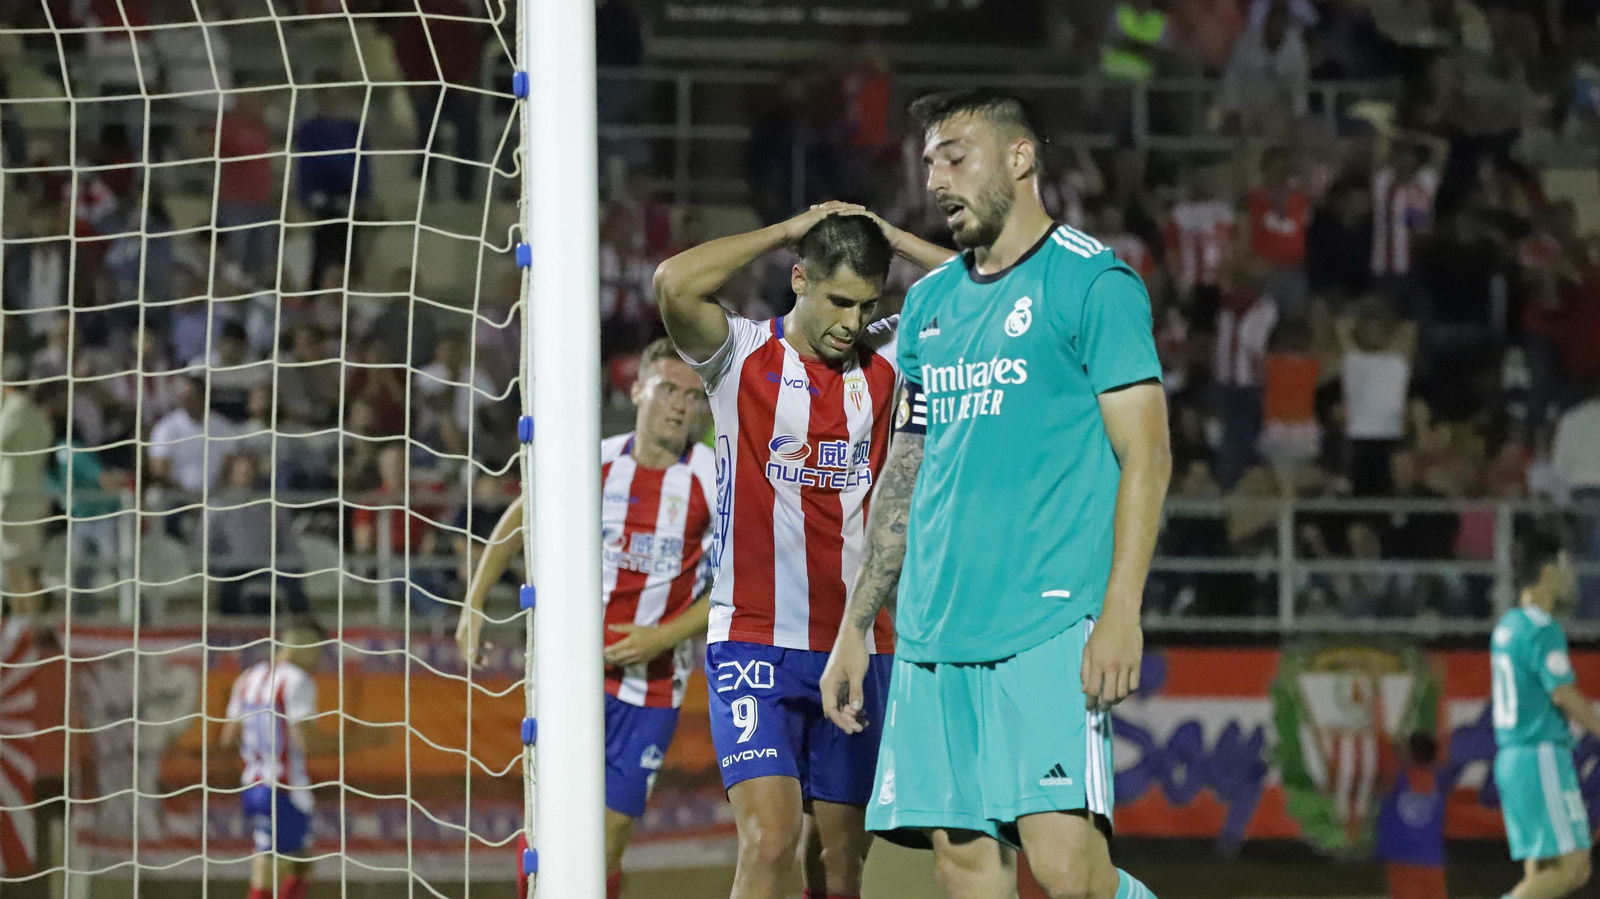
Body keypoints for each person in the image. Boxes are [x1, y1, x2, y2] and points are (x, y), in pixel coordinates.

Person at [820, 88, 1170, 899]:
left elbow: (1147, 454)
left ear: (1020, 158)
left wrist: (1121, 610)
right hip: (934, 628)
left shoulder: (1092, 282)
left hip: (1045, 623)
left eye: (955, 157)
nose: (935, 179)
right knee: (961, 862)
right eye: (928, 163)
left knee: (1068, 870)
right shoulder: (930, 305)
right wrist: (856, 626)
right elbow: (905, 472)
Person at [654, 204, 951, 899]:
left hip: (860, 643)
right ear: (799, 279)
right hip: (754, 638)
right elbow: (673, 282)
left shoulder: (887, 357)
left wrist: (893, 238)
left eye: (867, 304)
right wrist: (791, 229)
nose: (852, 321)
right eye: (838, 300)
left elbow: (996, 286)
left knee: (840, 862)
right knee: (770, 840)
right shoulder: (739, 354)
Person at [454, 338, 718, 899]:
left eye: (692, 396)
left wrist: (663, 636)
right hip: (574, 679)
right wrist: (474, 601)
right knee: (548, 831)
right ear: (636, 391)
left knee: (605, 844)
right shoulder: (598, 460)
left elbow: (739, 582)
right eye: (668, 389)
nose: (680, 405)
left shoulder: (712, 477)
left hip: (651, 689)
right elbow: (520, 516)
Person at [1490, 528, 1599, 899]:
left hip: (1514, 757)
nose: (1570, 577)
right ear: (1548, 571)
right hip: (1540, 754)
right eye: (1565, 567)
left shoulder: (1508, 625)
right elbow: (1563, 693)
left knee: (1544, 869)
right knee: (1574, 867)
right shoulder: (1542, 628)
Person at [219, 621, 332, 899]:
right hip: (283, 789)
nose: (319, 660)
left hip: (254, 786)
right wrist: (369, 740)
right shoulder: (297, 680)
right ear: (304, 644)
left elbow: (228, 738)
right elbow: (308, 742)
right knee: (271, 868)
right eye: (318, 650)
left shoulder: (248, 678)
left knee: (302, 861)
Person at [1374, 732, 1447, 899]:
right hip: (1431, 858)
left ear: (1411, 754)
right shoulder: (1439, 778)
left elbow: (1378, 789)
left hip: (1401, 857)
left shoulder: (1395, 777)